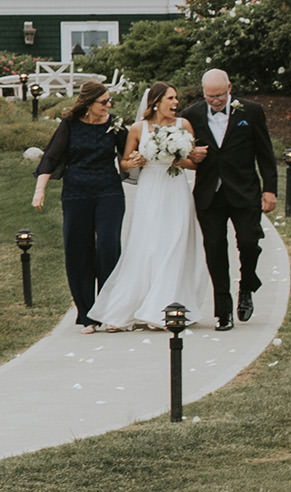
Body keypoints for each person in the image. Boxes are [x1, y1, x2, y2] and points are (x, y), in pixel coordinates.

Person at [87, 83, 214, 331]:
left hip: (176, 189)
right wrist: (134, 160)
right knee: (147, 245)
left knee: (175, 244)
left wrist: (179, 157)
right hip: (150, 190)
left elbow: (193, 164)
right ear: (156, 102)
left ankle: (164, 307)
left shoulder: (183, 126)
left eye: (176, 98)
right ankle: (128, 307)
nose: (176, 102)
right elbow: (124, 163)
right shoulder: (137, 129)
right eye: (170, 98)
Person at [184, 67, 277, 328]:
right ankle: (222, 311)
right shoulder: (191, 116)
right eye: (210, 96)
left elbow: (265, 153)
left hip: (244, 190)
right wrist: (192, 155)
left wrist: (270, 189)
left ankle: (247, 285)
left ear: (230, 88)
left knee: (249, 242)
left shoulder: (251, 111)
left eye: (220, 95)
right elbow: (183, 153)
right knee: (214, 251)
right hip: (209, 195)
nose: (215, 101)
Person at [31, 81, 127, 327]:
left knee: (108, 247)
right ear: (88, 103)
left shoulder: (114, 124)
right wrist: (40, 190)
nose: (108, 105)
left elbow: (127, 155)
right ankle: (86, 314)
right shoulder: (70, 125)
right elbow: (50, 157)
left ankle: (108, 310)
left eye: (109, 101)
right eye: (103, 102)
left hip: (109, 192)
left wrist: (136, 160)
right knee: (78, 250)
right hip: (77, 194)